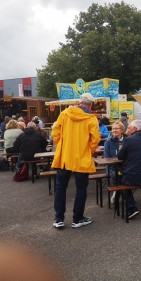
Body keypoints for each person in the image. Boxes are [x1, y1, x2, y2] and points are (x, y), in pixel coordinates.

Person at [52, 93, 101, 229]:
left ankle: (58, 218)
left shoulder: (65, 113)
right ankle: (77, 218)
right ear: (91, 104)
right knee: (81, 188)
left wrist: (61, 146)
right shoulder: (91, 118)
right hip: (81, 158)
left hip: (64, 157)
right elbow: (95, 139)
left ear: (79, 102)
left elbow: (55, 132)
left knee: (60, 187)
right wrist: (88, 151)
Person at [117, 120, 141, 219]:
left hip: (133, 176)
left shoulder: (129, 140)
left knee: (121, 181)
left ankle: (132, 207)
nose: (128, 130)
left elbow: (120, 157)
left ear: (134, 129)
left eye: (129, 128)